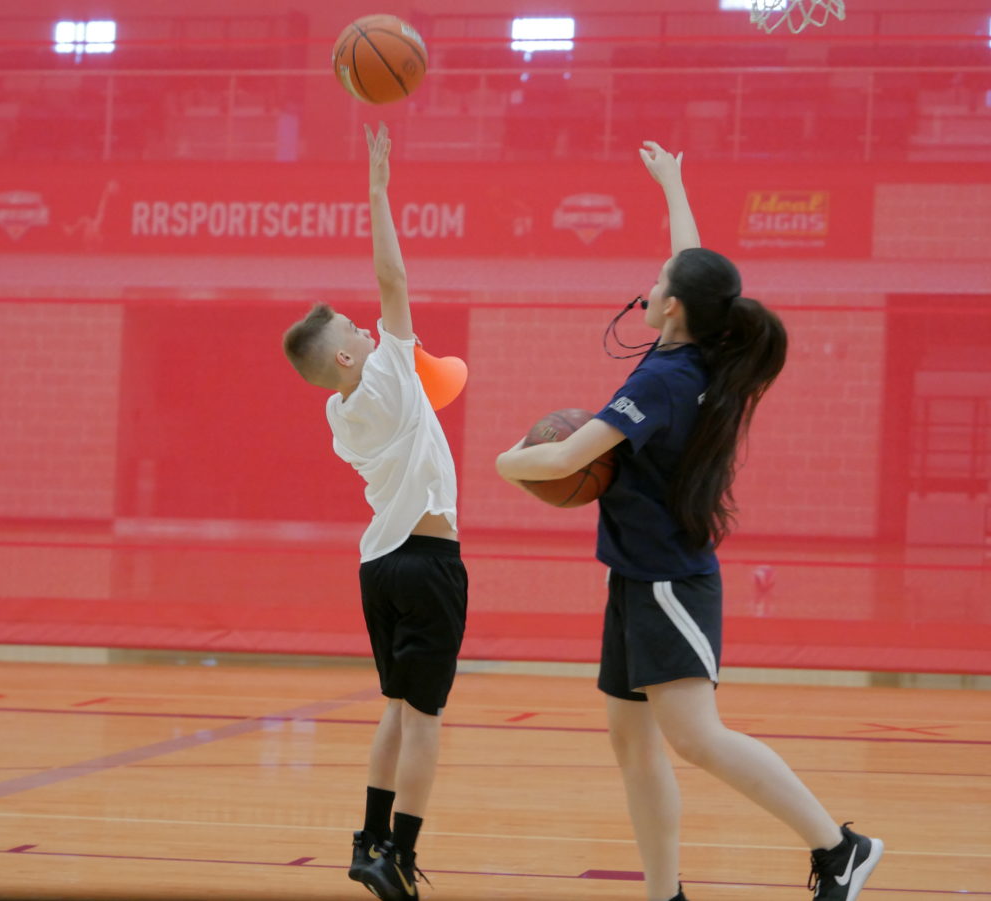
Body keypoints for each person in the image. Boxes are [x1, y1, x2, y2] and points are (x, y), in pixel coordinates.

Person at [494, 141, 882, 901]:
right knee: (632, 742)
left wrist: (505, 462)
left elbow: (569, 453)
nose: (652, 280)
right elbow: (692, 264)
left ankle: (839, 845)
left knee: (695, 737)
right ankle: (664, 893)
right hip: (639, 572)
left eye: (660, 281)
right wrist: (672, 182)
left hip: (668, 580)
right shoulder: (696, 348)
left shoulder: (669, 379)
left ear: (671, 305)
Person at [281, 122, 467, 901]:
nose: (370, 322)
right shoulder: (388, 369)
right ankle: (399, 855)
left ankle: (368, 838)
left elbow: (386, 305)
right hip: (426, 563)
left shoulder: (339, 414)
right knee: (424, 718)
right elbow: (392, 274)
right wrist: (378, 188)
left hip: (377, 567)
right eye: (355, 328)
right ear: (351, 355)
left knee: (395, 707)